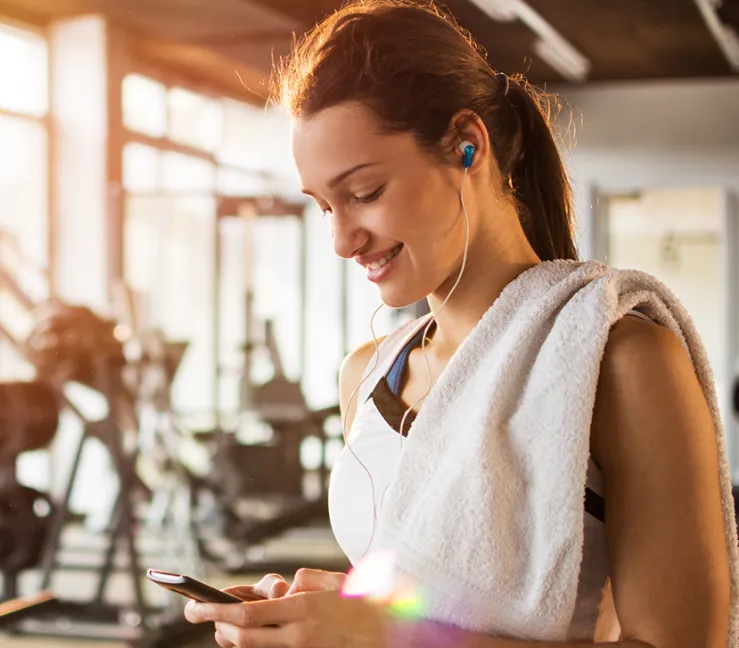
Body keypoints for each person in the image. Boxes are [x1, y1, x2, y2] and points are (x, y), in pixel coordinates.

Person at [184, 1, 737, 646]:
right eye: (323, 205)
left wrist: (380, 638)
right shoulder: (367, 376)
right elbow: (412, 598)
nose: (341, 240)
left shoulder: (620, 362)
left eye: (365, 193)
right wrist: (316, 615)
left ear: (466, 144)